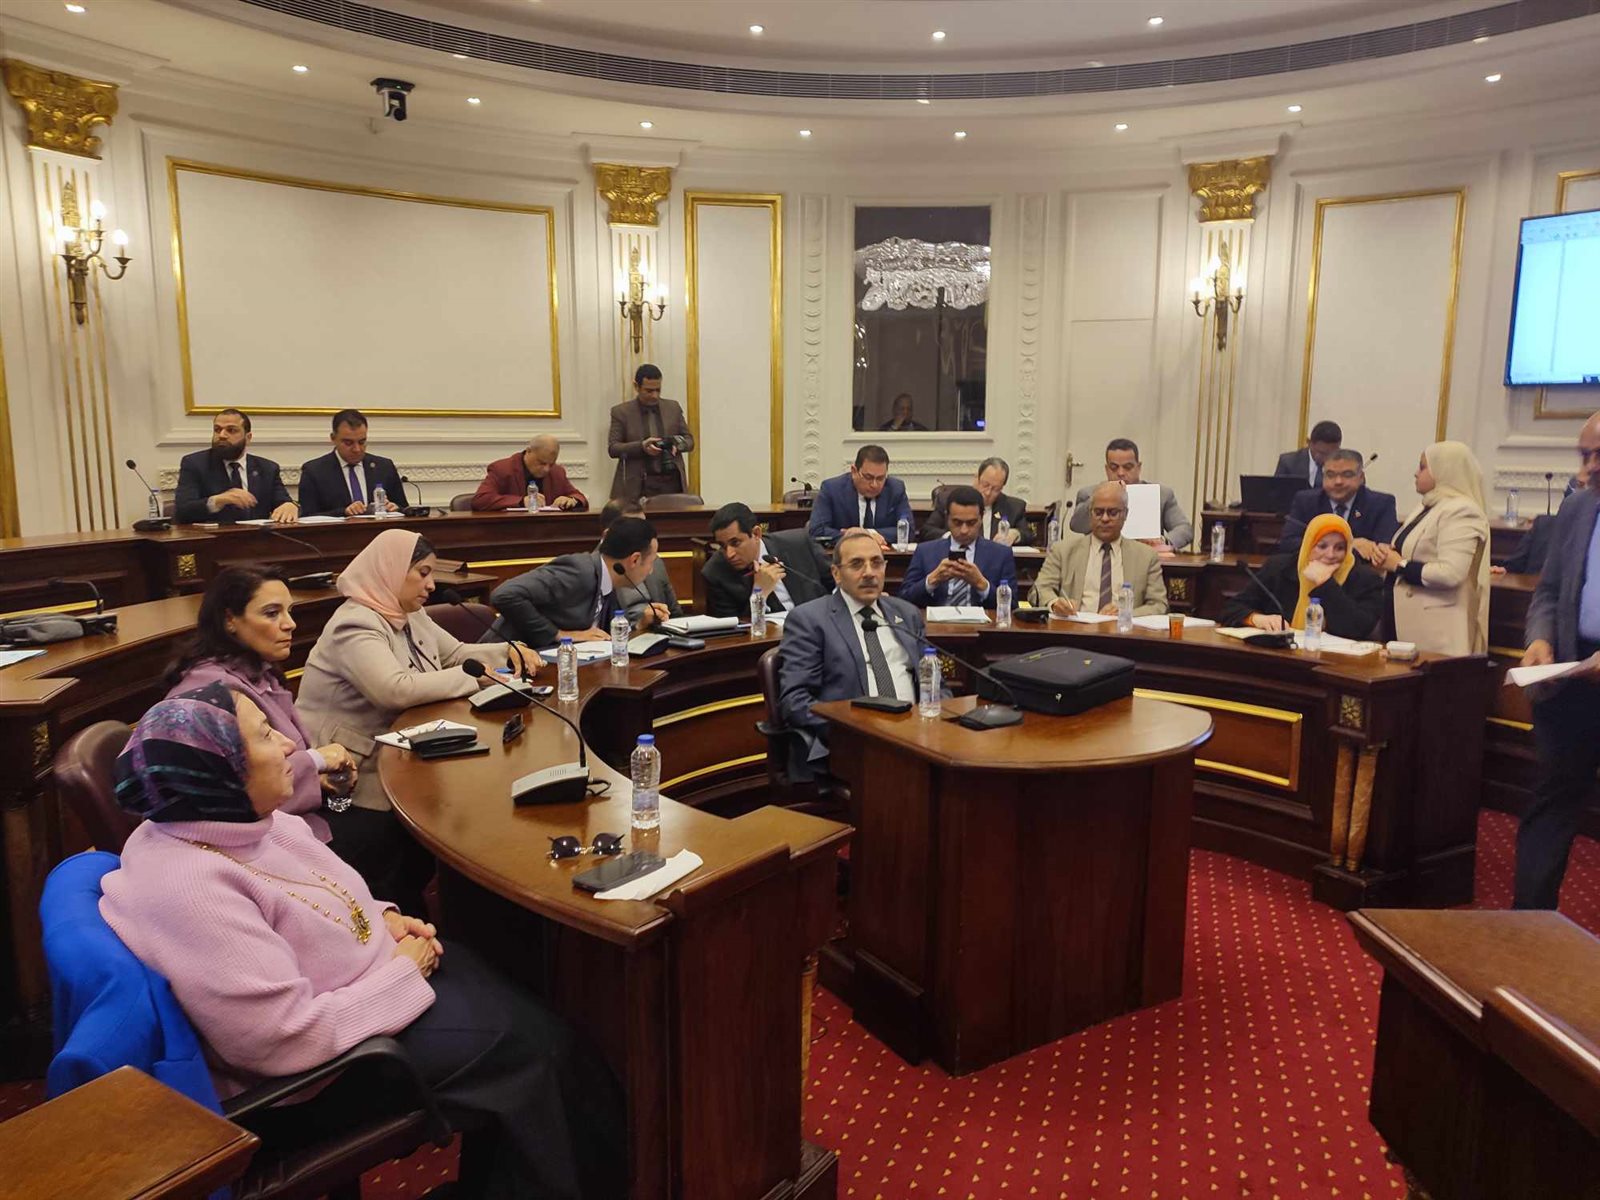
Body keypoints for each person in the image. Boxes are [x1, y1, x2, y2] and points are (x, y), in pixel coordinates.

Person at [99, 684, 627, 1199]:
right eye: (263, 736)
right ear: (218, 772)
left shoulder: (239, 820)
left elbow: (330, 891)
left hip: (369, 994)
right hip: (326, 1073)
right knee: (545, 1055)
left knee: (526, 1001)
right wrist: (405, 972)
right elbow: (284, 1040)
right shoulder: (190, 889)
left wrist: (385, 919)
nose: (288, 744)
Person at [296, 529, 526, 913]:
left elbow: (456, 654)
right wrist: (477, 677)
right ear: (391, 569)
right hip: (356, 772)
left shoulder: (410, 613)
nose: (431, 584)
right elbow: (394, 690)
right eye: (422, 573)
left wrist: (508, 651)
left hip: (405, 749)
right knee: (406, 854)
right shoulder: (355, 624)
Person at [164, 566, 355, 843]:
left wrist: (316, 778)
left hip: (292, 821)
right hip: (253, 843)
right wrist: (317, 760)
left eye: (289, 611)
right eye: (272, 613)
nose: (290, 624)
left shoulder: (259, 671)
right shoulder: (212, 693)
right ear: (230, 619)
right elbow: (233, 792)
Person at [1515, 410, 1600, 909]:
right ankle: (1526, 928)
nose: (1587, 469)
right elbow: (1547, 592)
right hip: (1571, 679)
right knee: (1550, 806)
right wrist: (1541, 638)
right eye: (1584, 455)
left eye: (1599, 456)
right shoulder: (1577, 508)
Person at [777, 530, 930, 780]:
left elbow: (934, 683)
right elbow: (795, 701)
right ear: (836, 573)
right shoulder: (810, 620)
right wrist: (855, 730)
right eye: (857, 564)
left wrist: (936, 725)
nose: (869, 572)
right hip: (852, 746)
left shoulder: (907, 614)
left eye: (876, 563)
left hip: (918, 740)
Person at [1369, 441, 1491, 656]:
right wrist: (1385, 555)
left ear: (1444, 470)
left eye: (1423, 467)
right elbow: (1408, 553)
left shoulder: (1461, 511)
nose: (1416, 473)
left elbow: (1451, 573)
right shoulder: (1428, 506)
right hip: (1401, 622)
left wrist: (1399, 565)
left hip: (1436, 633)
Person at [485, 517, 667, 647]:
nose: (651, 570)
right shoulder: (578, 570)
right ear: (634, 560)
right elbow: (504, 595)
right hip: (504, 664)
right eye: (651, 562)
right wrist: (559, 635)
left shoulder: (611, 581)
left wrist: (640, 625)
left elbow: (601, 636)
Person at [1222, 514, 1384, 639]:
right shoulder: (1280, 568)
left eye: (1340, 548)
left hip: (1337, 664)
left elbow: (1357, 629)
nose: (1330, 554)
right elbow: (1231, 609)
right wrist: (1257, 619)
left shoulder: (1365, 579)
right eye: (1322, 546)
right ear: (1308, 545)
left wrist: (1325, 584)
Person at [1032, 481, 1168, 617]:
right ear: (1090, 514)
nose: (1105, 518)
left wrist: (1126, 613)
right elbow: (1039, 589)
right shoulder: (1063, 551)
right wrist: (1055, 603)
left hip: (1122, 627)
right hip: (1076, 626)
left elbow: (1159, 605)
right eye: (1098, 512)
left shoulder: (1146, 556)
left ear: (1125, 514)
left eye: (1113, 513)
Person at [703, 501, 832, 619]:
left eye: (735, 543)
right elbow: (734, 630)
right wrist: (759, 593)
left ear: (756, 534)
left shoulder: (799, 543)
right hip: (767, 636)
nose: (729, 554)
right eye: (722, 546)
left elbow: (837, 585)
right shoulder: (716, 573)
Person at [899, 485, 1017, 609]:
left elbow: (1012, 606)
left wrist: (981, 584)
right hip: (936, 620)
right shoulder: (925, 551)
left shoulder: (1001, 554)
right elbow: (903, 599)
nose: (964, 530)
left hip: (981, 620)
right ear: (947, 517)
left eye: (971, 523)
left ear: (981, 517)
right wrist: (932, 580)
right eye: (957, 522)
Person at [174, 408, 297, 524]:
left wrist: (290, 506)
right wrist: (218, 500)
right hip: (213, 537)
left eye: (231, 430)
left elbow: (283, 502)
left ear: (248, 438)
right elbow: (182, 511)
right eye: (217, 429)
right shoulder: (195, 463)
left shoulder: (267, 468)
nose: (222, 435)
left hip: (257, 537)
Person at [1068, 438, 1192, 551]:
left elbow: (1184, 528)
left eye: (1128, 467)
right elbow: (1077, 526)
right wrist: (1099, 496)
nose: (1121, 473)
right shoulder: (1089, 494)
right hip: (1102, 557)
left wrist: (1164, 541)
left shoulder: (1162, 495)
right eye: (1114, 468)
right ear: (1106, 469)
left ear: (1139, 467)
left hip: (1146, 557)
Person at [1275, 449, 1399, 557]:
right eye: (1330, 475)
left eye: (1347, 475)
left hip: (1360, 574)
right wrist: (1349, 545)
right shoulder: (1306, 501)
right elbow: (1288, 543)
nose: (1338, 481)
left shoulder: (1381, 504)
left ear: (1361, 477)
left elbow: (1383, 548)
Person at [296, 409, 407, 519]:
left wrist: (396, 508)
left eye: (362, 442)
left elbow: (405, 509)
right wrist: (344, 512)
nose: (357, 449)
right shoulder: (314, 471)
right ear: (333, 438)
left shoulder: (384, 467)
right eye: (348, 443)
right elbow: (306, 516)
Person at [608, 364, 692, 501]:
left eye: (658, 390)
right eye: (649, 391)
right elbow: (613, 448)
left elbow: (689, 440)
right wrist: (642, 446)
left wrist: (678, 444)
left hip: (672, 483)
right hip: (637, 486)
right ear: (636, 386)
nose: (655, 395)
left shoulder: (673, 408)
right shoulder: (621, 412)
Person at [807, 445, 913, 545]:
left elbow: (909, 531)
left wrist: (866, 533)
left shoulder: (896, 489)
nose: (874, 485)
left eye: (880, 478)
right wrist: (855, 538)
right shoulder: (832, 489)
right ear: (854, 471)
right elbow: (817, 531)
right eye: (868, 477)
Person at [598, 499, 681, 622]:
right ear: (608, 535)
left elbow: (675, 613)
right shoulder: (594, 572)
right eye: (635, 529)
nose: (644, 536)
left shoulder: (654, 560)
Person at [921, 457, 1029, 545]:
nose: (988, 492)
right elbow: (927, 531)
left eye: (995, 489)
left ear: (1002, 487)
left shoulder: (1013, 507)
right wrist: (952, 537)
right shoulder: (948, 501)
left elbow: (1028, 535)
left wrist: (1015, 534)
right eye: (985, 485)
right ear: (976, 478)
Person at [473, 434, 588, 511]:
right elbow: (480, 500)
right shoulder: (502, 469)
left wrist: (572, 500)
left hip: (548, 532)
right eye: (542, 463)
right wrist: (521, 502)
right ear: (528, 451)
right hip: (510, 531)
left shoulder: (557, 472)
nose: (547, 469)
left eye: (551, 464)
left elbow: (579, 497)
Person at [1276, 421, 1347, 489]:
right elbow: (1277, 493)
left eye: (1331, 454)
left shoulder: (1344, 465)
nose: (1326, 458)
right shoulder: (1289, 463)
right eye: (1321, 453)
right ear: (1309, 443)